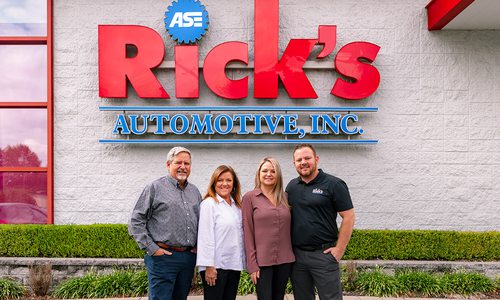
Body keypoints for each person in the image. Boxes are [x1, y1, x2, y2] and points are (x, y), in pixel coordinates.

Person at [128, 146, 202, 300]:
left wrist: (197, 247)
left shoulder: (194, 192)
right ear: (168, 165)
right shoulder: (155, 188)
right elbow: (136, 220)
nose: (183, 167)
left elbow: (200, 222)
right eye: (178, 163)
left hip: (187, 259)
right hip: (163, 257)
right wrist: (152, 249)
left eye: (187, 164)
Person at [286, 144, 355, 300]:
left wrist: (339, 250)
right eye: (299, 159)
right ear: (294, 164)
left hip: (323, 255)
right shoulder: (291, 187)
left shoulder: (334, 184)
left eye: (307, 158)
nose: (303, 162)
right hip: (297, 257)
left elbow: (349, 217)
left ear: (316, 159)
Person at [242, 157, 295, 300]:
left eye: (273, 171)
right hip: (261, 262)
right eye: (265, 170)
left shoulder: (286, 197)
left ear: (278, 175)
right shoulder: (249, 198)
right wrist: (252, 264)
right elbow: (247, 232)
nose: (269, 174)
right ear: (258, 174)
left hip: (285, 260)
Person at [196, 165, 245, 300]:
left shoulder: (237, 206)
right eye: (220, 180)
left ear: (234, 183)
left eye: (228, 180)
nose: (224, 184)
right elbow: (205, 237)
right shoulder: (209, 204)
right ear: (214, 183)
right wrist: (209, 266)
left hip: (233, 264)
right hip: (216, 266)